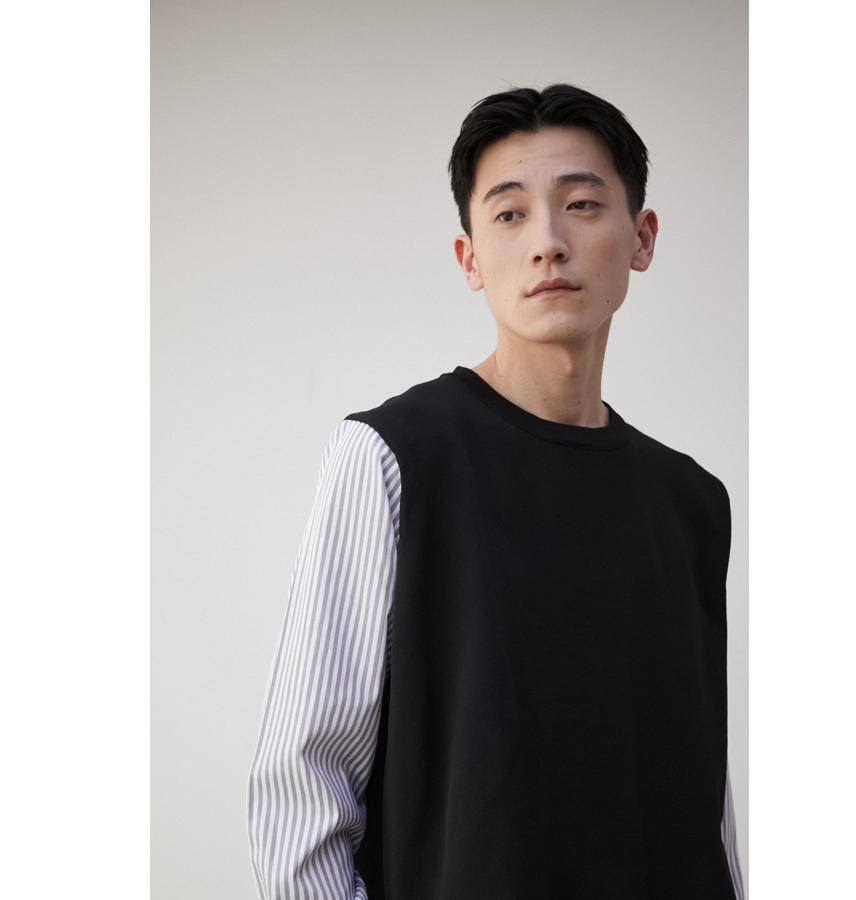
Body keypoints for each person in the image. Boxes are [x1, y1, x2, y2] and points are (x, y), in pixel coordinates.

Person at [247, 82, 745, 900]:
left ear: (642, 237)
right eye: (510, 214)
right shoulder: (393, 458)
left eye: (582, 204)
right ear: (470, 259)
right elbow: (302, 793)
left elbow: (704, 801)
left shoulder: (691, 501)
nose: (548, 242)